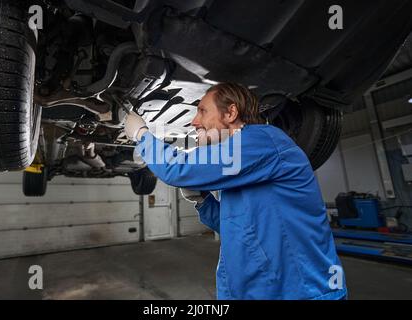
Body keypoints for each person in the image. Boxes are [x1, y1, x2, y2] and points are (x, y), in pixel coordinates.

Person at [123, 82, 347, 300]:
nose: (194, 121)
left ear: (230, 113)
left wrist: (141, 134)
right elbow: (236, 227)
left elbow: (177, 169)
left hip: (301, 292)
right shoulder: (241, 165)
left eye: (202, 111)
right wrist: (202, 201)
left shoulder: (264, 141)